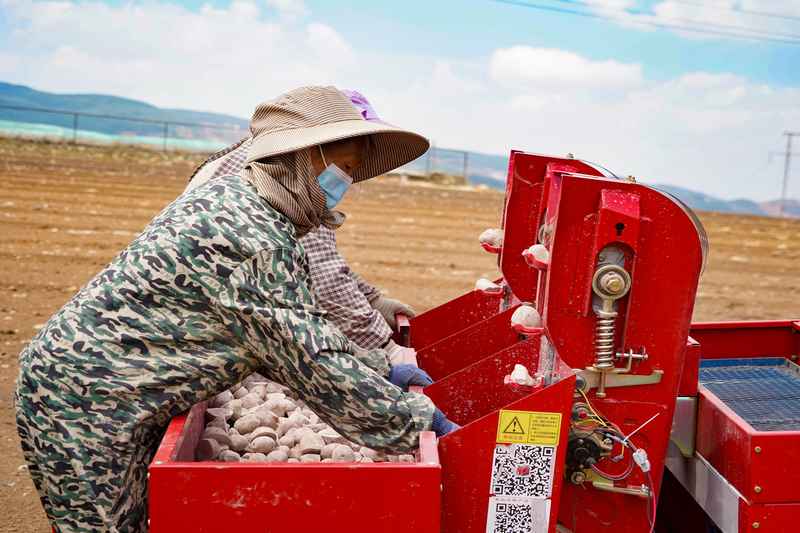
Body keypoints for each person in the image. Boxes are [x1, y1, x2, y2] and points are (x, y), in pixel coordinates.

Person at [15, 86, 458, 533]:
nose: (345, 184)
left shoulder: (250, 203)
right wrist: (422, 421)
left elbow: (289, 323)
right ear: (305, 157)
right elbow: (308, 357)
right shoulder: (252, 236)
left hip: (116, 387)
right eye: (342, 169)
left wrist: (377, 365)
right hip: (84, 397)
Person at [186, 90, 417, 366]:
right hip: (199, 336)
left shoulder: (263, 162)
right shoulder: (281, 187)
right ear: (316, 145)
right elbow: (323, 276)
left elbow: (318, 258)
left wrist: (372, 299)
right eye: (345, 166)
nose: (346, 179)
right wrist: (384, 350)